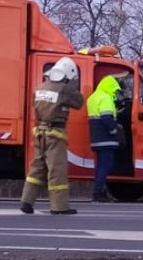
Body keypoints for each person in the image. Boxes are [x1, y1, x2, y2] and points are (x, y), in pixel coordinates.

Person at [20, 57, 83, 215]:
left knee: (36, 168)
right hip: (55, 135)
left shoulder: (40, 87)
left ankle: (26, 202)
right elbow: (79, 102)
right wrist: (72, 85)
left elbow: (36, 110)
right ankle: (59, 207)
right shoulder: (64, 89)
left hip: (40, 133)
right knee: (57, 170)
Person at [87, 75, 123, 203]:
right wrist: (114, 130)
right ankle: (98, 193)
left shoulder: (93, 97)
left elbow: (98, 114)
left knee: (100, 166)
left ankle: (99, 191)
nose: (115, 92)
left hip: (96, 138)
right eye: (114, 89)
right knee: (106, 166)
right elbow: (107, 117)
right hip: (106, 138)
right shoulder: (106, 98)